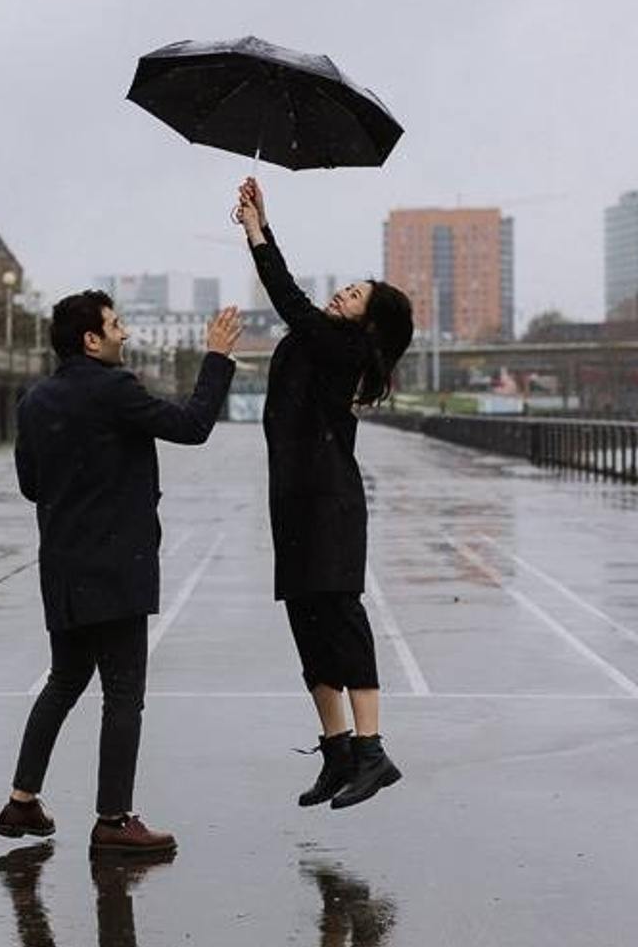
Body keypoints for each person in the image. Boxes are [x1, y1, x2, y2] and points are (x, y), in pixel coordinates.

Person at [0, 289, 242, 854]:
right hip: (115, 569)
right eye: (115, 325)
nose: (123, 333)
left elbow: (31, 485)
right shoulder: (114, 389)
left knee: (63, 682)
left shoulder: (34, 401)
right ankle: (113, 820)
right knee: (123, 694)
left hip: (63, 566)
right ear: (91, 339)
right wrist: (217, 357)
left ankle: (21, 801)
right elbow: (193, 424)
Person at [236, 177, 414, 809]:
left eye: (355, 294)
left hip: (329, 502)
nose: (343, 292)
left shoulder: (345, 345)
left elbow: (287, 296)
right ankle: (337, 751)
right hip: (293, 498)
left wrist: (257, 231)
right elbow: (301, 308)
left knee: (340, 619)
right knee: (306, 624)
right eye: (347, 287)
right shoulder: (324, 335)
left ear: (371, 320)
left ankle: (372, 751)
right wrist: (261, 224)